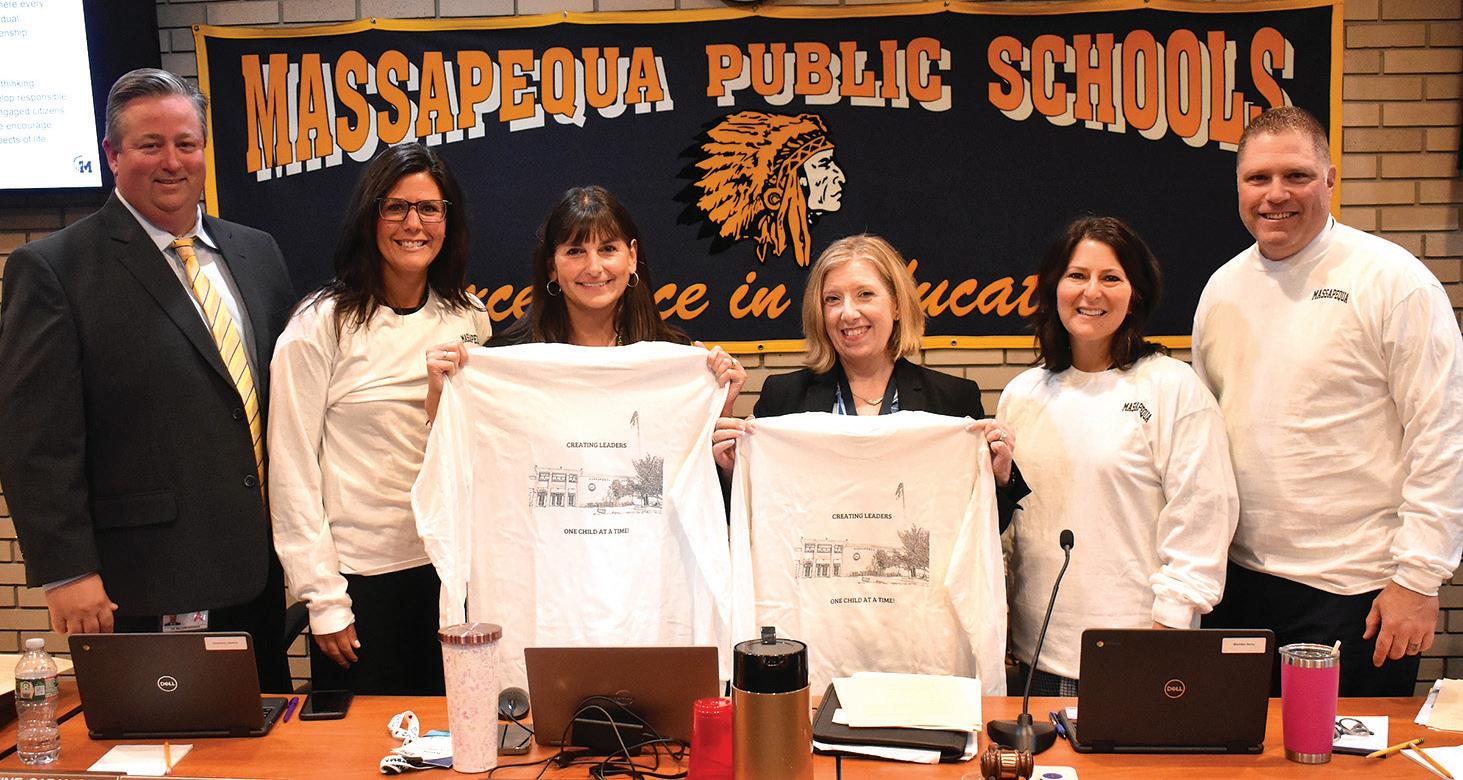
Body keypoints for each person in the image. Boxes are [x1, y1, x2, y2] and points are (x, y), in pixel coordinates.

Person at [0, 68, 294, 691]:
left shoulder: (257, 252)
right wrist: (66, 571)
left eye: (186, 143)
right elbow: (35, 441)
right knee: (160, 739)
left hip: (260, 573)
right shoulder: (54, 268)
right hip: (142, 580)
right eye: (150, 145)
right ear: (112, 154)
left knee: (267, 731)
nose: (172, 162)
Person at [1193, 106, 1463, 696]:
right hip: (1239, 586)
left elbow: (1443, 436)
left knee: (1342, 748)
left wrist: (1418, 579)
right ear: (1238, 186)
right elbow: (1205, 439)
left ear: (1331, 179)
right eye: (1258, 178)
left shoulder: (1394, 281)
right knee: (1242, 746)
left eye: (1297, 175)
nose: (1276, 194)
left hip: (1359, 593)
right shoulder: (1221, 290)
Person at [267, 144, 490, 694]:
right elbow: (291, 469)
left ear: (448, 221)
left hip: (453, 574)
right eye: (396, 208)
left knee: (457, 732)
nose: (414, 224)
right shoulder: (320, 324)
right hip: (362, 584)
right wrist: (323, 598)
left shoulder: (469, 317)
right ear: (370, 218)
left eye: (430, 208)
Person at [997, 216, 1238, 695]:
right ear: (1054, 287)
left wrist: (1166, 633)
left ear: (1136, 295)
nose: (1092, 292)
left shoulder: (1172, 387)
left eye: (1111, 278)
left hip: (1139, 654)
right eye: (1077, 275)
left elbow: (1203, 518)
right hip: (1036, 655)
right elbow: (1012, 528)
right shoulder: (1021, 394)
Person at [713, 234, 1026, 524]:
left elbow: (984, 529)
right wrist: (731, 471)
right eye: (832, 299)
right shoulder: (783, 396)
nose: (848, 313)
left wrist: (1000, 476)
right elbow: (752, 517)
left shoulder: (953, 399)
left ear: (897, 305)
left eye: (865, 294)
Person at [426, 185, 744, 418]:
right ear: (552, 266)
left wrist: (719, 402)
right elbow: (473, 452)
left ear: (632, 256)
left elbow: (698, 466)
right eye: (575, 251)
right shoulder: (505, 358)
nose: (594, 268)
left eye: (608, 249)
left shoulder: (676, 357)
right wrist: (443, 395)